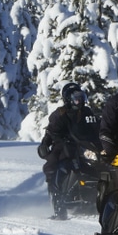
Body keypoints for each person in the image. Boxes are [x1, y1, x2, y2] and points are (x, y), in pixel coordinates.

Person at [37, 82, 100, 218]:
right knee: (57, 166)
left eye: (80, 97)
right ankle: (59, 204)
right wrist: (46, 143)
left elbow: (97, 127)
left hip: (86, 146)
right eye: (76, 97)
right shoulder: (60, 114)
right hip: (66, 146)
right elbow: (51, 130)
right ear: (68, 99)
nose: (79, 100)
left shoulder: (88, 112)